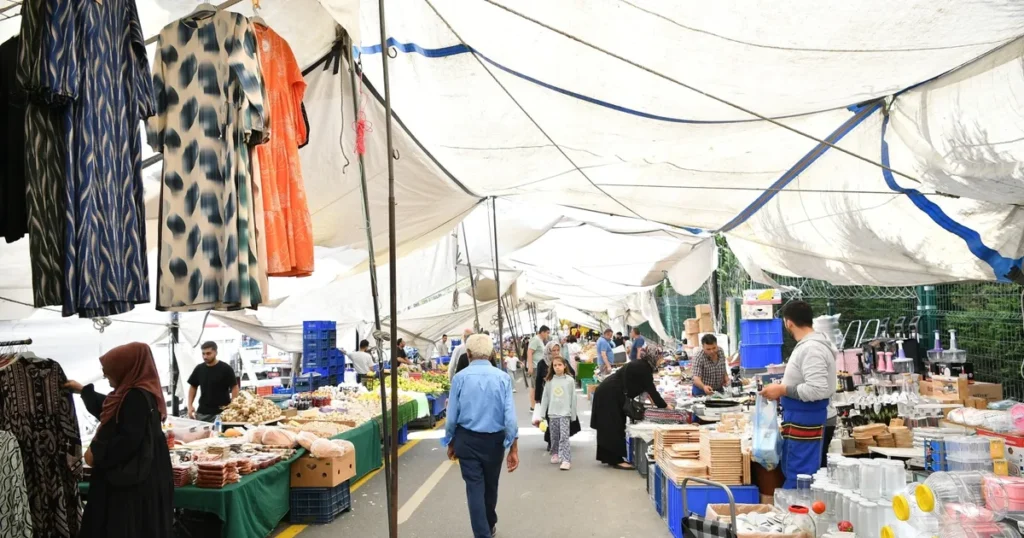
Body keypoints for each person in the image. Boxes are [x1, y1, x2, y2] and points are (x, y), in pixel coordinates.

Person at [64, 343, 173, 538]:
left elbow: (127, 439)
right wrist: (84, 391)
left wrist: (96, 452)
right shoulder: (137, 393)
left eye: (109, 372)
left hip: (131, 486)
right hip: (144, 478)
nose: (106, 377)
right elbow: (112, 409)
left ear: (125, 368)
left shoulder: (135, 397)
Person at [443, 334, 519, 538]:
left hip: (466, 440)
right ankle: (489, 524)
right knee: (491, 485)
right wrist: (513, 448)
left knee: (474, 488)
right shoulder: (502, 378)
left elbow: (451, 418)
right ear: (491, 354)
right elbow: (510, 419)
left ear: (468, 354)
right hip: (494, 442)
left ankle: (484, 531)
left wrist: (450, 441)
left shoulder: (459, 379)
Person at [759, 300, 837, 488]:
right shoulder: (810, 345)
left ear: (788, 323)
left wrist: (783, 389)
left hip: (808, 421)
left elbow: (816, 389)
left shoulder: (812, 348)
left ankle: (799, 514)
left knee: (802, 478)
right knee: (801, 475)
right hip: (802, 418)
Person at [591, 346, 667, 468]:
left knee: (611, 424)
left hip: (611, 391)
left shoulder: (642, 365)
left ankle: (609, 457)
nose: (661, 360)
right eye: (660, 357)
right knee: (613, 425)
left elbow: (645, 387)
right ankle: (617, 460)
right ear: (654, 356)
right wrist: (665, 406)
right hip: (610, 393)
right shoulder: (644, 368)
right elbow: (651, 390)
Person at [532, 356, 578, 470]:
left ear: (565, 366)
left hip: (565, 413)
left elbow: (573, 398)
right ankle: (555, 453)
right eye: (555, 365)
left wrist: (573, 414)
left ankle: (566, 459)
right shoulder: (549, 381)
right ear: (552, 367)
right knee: (554, 435)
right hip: (552, 413)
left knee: (564, 436)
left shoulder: (570, 380)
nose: (557, 367)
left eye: (559, 365)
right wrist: (542, 413)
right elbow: (545, 397)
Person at [188, 341, 239, 422]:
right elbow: (193, 386)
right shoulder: (199, 369)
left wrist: (233, 406)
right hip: (203, 413)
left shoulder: (226, 369)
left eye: (208, 353)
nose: (205, 356)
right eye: (203, 353)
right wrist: (190, 405)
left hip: (222, 413)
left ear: (215, 352)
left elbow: (234, 387)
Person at [526, 326, 550, 410]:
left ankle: (536, 405)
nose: (548, 335)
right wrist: (530, 366)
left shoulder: (540, 340)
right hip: (535, 366)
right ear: (542, 332)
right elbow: (529, 352)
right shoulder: (535, 339)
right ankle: (533, 406)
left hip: (538, 366)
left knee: (537, 386)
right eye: (547, 333)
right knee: (534, 387)